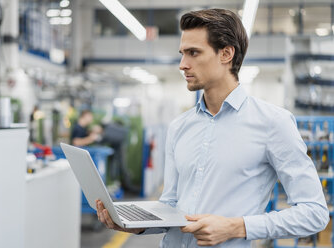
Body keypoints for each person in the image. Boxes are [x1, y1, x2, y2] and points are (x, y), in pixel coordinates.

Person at [96, 8, 329, 247]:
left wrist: (236, 227)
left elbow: (314, 212)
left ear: (226, 54)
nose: (182, 64)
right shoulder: (179, 127)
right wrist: (135, 223)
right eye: (182, 53)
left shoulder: (273, 123)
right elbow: (171, 205)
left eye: (193, 53)